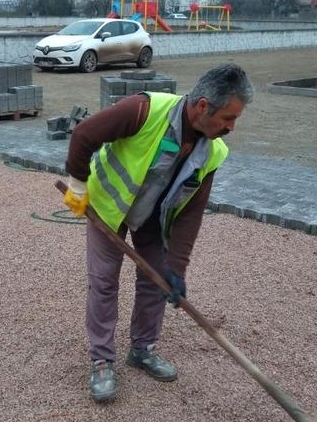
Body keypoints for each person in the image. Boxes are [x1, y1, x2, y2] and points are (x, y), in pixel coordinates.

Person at [62, 64, 253, 402]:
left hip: (153, 218)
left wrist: (176, 270)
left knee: (156, 281)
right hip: (108, 207)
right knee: (104, 282)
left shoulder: (214, 152)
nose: (231, 128)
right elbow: (83, 135)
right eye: (228, 118)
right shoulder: (144, 110)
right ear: (203, 106)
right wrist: (78, 184)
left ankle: (142, 349)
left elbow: (190, 214)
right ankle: (102, 361)